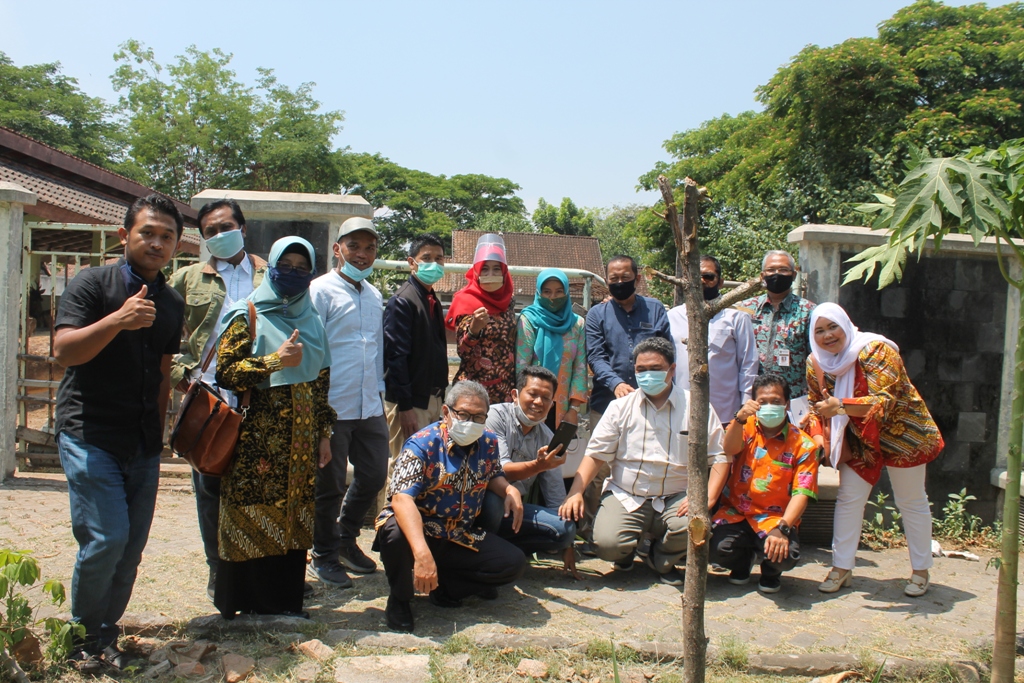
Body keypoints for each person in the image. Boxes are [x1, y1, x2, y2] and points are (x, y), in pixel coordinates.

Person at [53, 195, 185, 670]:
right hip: (90, 431)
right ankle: (80, 640)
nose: (156, 243)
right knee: (106, 539)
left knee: (129, 550)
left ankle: (104, 637)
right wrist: (117, 320)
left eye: (167, 236)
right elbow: (64, 351)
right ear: (124, 235)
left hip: (142, 440)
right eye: (147, 232)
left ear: (177, 245)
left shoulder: (171, 301)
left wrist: (161, 434)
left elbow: (164, 373)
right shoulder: (92, 284)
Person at [213, 236, 335, 618]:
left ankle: (283, 602)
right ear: (271, 267)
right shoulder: (245, 313)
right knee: (250, 510)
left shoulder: (312, 320)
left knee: (293, 516)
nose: (293, 273)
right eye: (286, 265)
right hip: (257, 443)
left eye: (302, 268)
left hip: (301, 446)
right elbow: (226, 373)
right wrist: (274, 360)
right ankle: (244, 602)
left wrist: (324, 434)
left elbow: (321, 385)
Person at [560, 337, 726, 586]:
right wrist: (575, 492)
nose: (647, 375)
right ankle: (625, 551)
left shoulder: (696, 407)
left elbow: (720, 457)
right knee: (606, 543)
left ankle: (660, 558)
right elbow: (595, 455)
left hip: (677, 497)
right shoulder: (619, 408)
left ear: (672, 369)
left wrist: (707, 499)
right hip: (627, 494)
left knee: (694, 525)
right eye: (641, 369)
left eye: (655, 368)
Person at [806, 303, 943, 597]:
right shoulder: (815, 362)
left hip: (902, 435)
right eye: (819, 330)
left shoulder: (875, 350)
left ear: (846, 324)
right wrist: (817, 436)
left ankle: (921, 571)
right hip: (859, 440)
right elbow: (814, 404)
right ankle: (841, 568)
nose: (828, 335)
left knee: (911, 500)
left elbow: (884, 401)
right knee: (849, 499)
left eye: (833, 327)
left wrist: (840, 406)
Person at [168, 198, 267, 601]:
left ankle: (257, 572)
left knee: (259, 487)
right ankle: (218, 570)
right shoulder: (188, 278)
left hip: (261, 395)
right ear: (203, 238)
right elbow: (161, 332)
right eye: (211, 231)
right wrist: (180, 374)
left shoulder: (270, 274)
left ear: (243, 228)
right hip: (209, 398)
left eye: (227, 227)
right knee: (210, 488)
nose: (220, 235)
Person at [374, 381, 528, 633]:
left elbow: (493, 475)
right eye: (463, 414)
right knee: (394, 533)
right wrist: (422, 553)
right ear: (446, 412)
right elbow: (401, 499)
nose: (471, 422)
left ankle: (445, 587)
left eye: (479, 417)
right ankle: (400, 598)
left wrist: (509, 489)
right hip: (419, 530)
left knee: (512, 563)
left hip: (458, 532)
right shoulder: (421, 444)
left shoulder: (488, 442)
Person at [308, 217, 390, 588]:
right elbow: (313, 348)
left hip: (369, 403)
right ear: (337, 249)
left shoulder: (373, 295)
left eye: (369, 248)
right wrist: (316, 408)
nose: (362, 254)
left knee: (374, 474)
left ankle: (345, 537)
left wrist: (379, 393)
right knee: (330, 484)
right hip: (333, 405)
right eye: (354, 246)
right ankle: (323, 554)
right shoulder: (320, 291)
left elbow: (376, 349)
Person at [582, 255, 672, 551]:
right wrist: (616, 384)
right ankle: (592, 531)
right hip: (607, 402)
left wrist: (654, 386)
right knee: (599, 469)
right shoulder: (597, 314)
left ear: (637, 278)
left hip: (652, 403)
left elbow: (666, 351)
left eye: (625, 277)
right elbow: (595, 356)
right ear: (606, 280)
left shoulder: (655, 309)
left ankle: (644, 534)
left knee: (646, 463)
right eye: (614, 278)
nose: (620, 282)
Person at [709, 373, 820, 593]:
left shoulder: (804, 445)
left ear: (786, 404)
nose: (769, 406)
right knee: (715, 548)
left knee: (785, 555)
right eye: (763, 401)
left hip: (775, 518)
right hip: (737, 512)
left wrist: (783, 528)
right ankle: (742, 564)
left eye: (776, 401)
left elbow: (802, 492)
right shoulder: (745, 427)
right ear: (754, 403)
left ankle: (771, 572)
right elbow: (729, 449)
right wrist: (740, 418)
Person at [480, 366, 577, 564]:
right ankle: (484, 552)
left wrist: (569, 544)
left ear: (552, 404)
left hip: (516, 510)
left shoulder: (547, 436)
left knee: (565, 530)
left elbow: (555, 492)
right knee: (493, 503)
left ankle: (507, 549)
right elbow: (500, 470)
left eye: (546, 398)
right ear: (515, 395)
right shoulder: (495, 417)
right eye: (532, 394)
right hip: (486, 502)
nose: (538, 402)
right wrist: (539, 465)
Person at [668, 255, 758, 424]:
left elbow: (748, 363)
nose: (701, 281)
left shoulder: (736, 317)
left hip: (725, 411)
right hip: (682, 410)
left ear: (720, 282)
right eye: (695, 276)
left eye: (708, 276)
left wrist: (745, 404)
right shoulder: (673, 316)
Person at [740, 250, 816, 413]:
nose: (777, 274)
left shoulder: (808, 311)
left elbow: (816, 359)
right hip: (753, 400)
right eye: (771, 270)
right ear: (762, 276)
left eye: (783, 270)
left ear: (794, 275)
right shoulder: (746, 309)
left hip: (794, 400)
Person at [446, 233, 517, 405]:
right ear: (477, 271)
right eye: (485, 269)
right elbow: (463, 352)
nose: (490, 274)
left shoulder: (508, 301)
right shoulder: (465, 300)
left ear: (504, 271)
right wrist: (474, 329)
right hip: (474, 391)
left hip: (505, 389)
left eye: (496, 268)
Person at [516, 268, 588, 430]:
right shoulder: (528, 320)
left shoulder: (577, 324)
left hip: (563, 406)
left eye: (559, 291)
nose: (553, 297)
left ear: (567, 292)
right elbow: (522, 365)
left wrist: (574, 409)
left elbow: (580, 368)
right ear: (538, 292)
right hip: (533, 402)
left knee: (557, 446)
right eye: (547, 292)